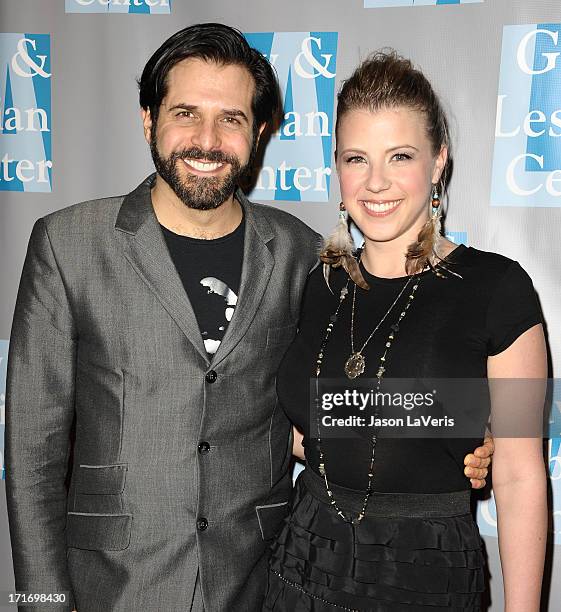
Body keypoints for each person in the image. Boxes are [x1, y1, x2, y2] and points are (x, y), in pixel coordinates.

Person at [4, 23, 492, 612]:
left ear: (259, 133)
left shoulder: (301, 255)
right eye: (185, 112)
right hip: (112, 584)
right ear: (147, 119)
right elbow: (33, 454)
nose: (206, 140)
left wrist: (468, 430)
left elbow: (359, 387)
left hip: (262, 581)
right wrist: (41, 602)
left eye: (231, 118)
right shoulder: (68, 244)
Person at [264, 51, 547, 611]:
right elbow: (310, 428)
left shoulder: (497, 289)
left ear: (438, 160)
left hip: (425, 573)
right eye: (356, 158)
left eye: (400, 156)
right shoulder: (318, 283)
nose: (375, 183)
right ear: (336, 167)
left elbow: (519, 476)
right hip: (303, 560)